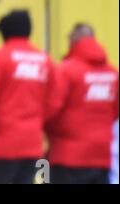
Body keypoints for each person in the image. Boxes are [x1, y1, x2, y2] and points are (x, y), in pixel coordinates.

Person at [0, 10, 55, 184]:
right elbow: (52, 103)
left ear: (4, 33)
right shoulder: (45, 61)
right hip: (31, 146)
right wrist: (36, 125)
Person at [46, 23, 119, 184]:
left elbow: (51, 110)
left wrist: (54, 134)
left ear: (73, 41)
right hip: (101, 157)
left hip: (68, 157)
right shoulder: (112, 74)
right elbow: (115, 112)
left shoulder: (66, 70)